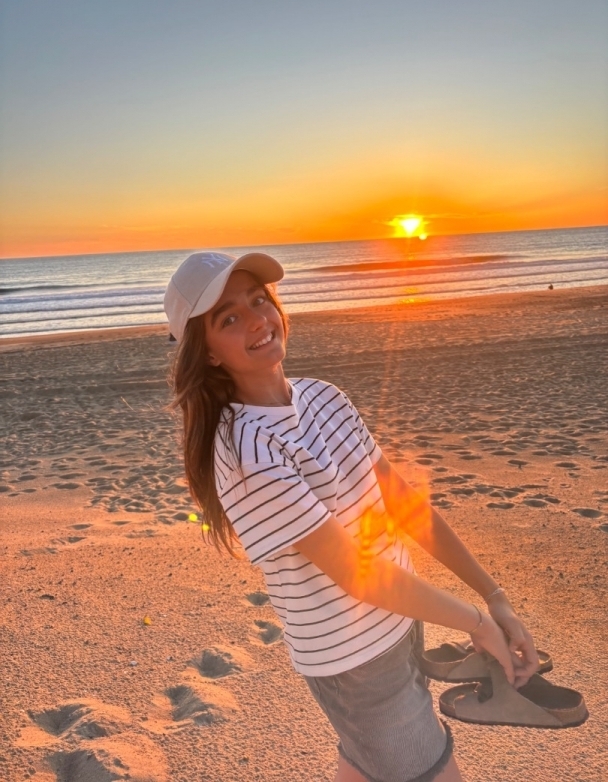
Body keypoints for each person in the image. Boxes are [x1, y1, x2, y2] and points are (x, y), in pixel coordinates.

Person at [164, 251, 540, 782]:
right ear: (206, 353)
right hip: (354, 663)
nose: (257, 320)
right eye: (229, 319)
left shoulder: (325, 398)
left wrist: (492, 594)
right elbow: (356, 574)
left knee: (366, 765)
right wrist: (477, 623)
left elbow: (404, 504)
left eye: (258, 300)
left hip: (401, 620)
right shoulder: (248, 450)